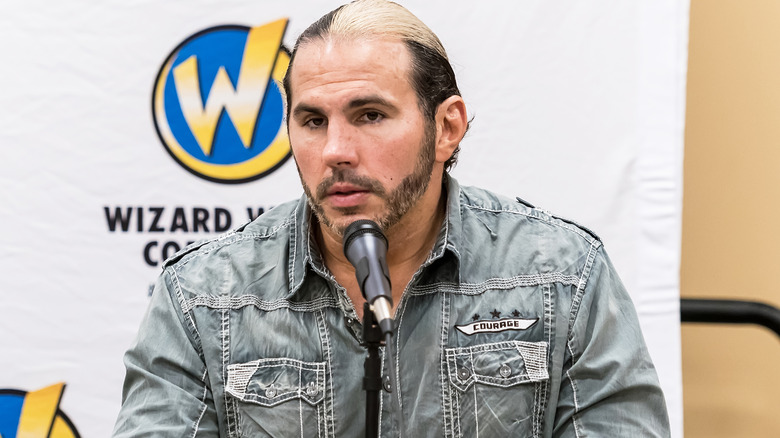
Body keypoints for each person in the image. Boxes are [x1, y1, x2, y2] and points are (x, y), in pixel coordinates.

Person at [113, 0, 670, 436]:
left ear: (446, 128)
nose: (335, 150)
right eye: (311, 121)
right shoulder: (204, 293)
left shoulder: (561, 276)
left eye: (370, 114)